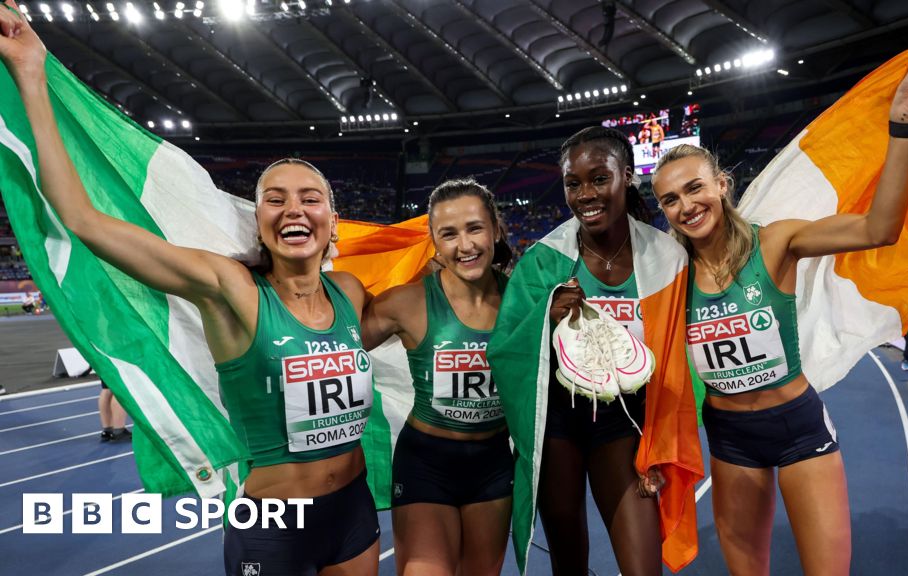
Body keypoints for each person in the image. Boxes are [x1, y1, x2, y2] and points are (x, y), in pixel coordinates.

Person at [0, 7, 379, 575]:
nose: (293, 208)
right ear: (259, 221)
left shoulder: (350, 290)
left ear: (332, 218)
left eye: (310, 197)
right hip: (272, 525)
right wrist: (32, 71)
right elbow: (83, 220)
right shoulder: (230, 288)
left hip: (354, 510)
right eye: (275, 198)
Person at [650, 36, 908, 576]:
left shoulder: (777, 242)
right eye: (669, 200)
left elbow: (879, 229)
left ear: (722, 186)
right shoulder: (673, 275)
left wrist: (903, 122)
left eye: (694, 188)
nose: (685, 206)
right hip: (727, 438)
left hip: (796, 427)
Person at [492, 126, 703, 576]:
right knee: (569, 564)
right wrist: (544, 319)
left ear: (626, 176)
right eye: (573, 183)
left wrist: (661, 446)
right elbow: (505, 350)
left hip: (624, 426)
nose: (585, 194)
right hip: (558, 429)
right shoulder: (544, 260)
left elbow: (680, 362)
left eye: (599, 178)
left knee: (643, 565)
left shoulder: (667, 258)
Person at [360, 179, 513, 576]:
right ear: (434, 242)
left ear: (495, 228)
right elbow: (328, 343)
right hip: (426, 464)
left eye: (475, 228)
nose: (465, 246)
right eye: (449, 234)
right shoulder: (405, 303)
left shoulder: (525, 301)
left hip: (494, 466)